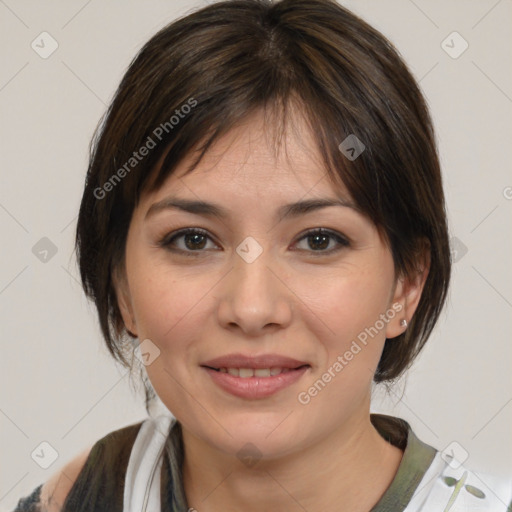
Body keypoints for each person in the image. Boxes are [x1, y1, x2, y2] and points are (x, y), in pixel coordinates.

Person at [12, 0, 512, 510]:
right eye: (193, 239)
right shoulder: (74, 497)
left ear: (408, 283)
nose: (251, 310)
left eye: (319, 240)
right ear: (121, 285)